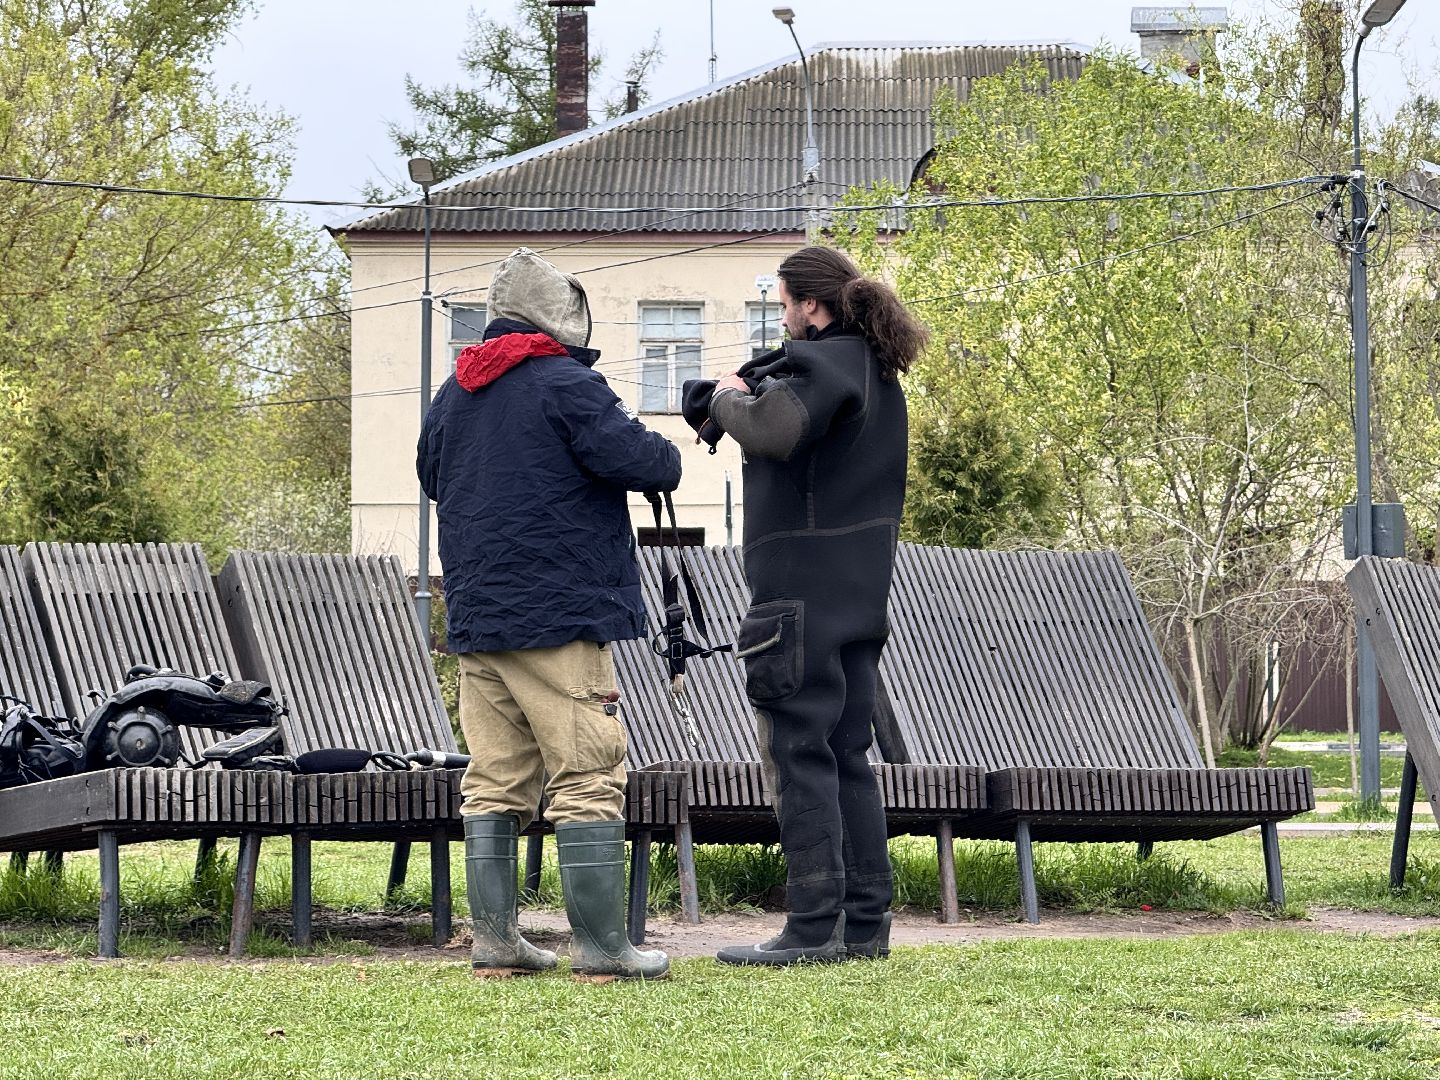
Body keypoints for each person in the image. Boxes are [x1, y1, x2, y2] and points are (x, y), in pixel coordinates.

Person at [418, 248, 681, 981]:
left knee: (495, 777)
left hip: (478, 617)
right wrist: (658, 443)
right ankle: (602, 947)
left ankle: (497, 943)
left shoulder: (452, 396)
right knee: (589, 771)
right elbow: (647, 464)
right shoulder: (568, 384)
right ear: (557, 316)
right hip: (561, 617)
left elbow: (430, 475)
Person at [682, 245, 928, 966]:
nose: (783, 320)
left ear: (811, 307)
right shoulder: (875, 374)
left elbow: (775, 429)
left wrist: (728, 398)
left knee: (799, 754)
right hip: (858, 595)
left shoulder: (819, 364)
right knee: (847, 755)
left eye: (785, 304)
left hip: (797, 598)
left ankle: (812, 926)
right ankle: (863, 926)